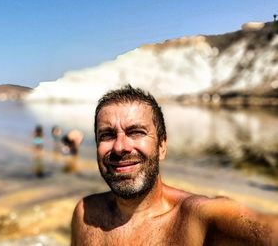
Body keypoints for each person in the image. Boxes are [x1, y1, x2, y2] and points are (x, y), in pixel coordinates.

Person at [71, 85, 278, 245]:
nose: (120, 147)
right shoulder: (86, 213)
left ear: (162, 146)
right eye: (106, 135)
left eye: (136, 132)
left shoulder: (198, 218)